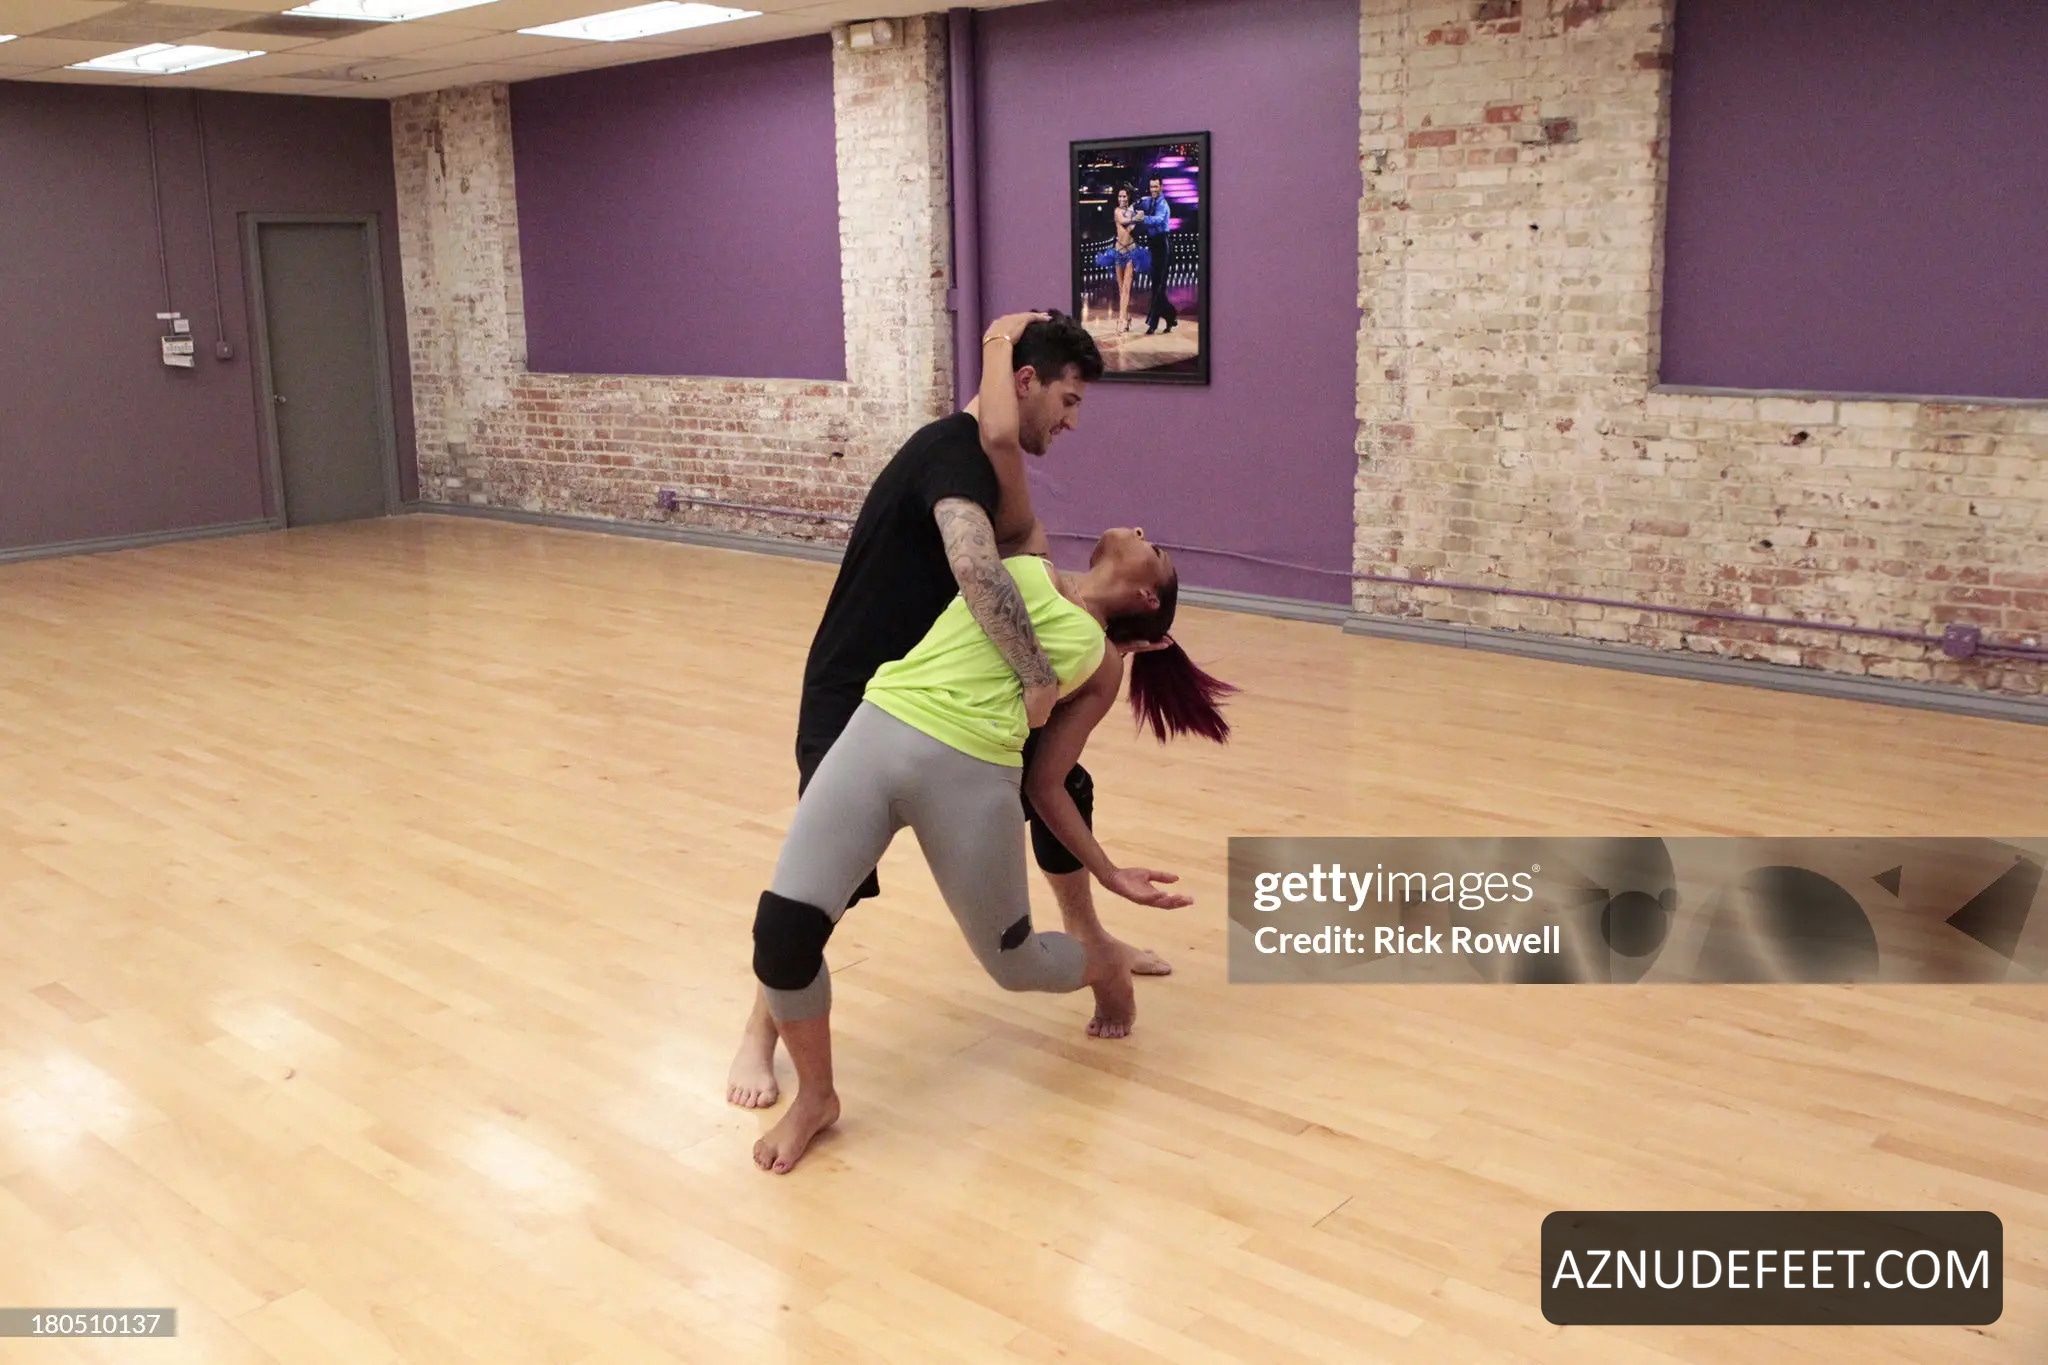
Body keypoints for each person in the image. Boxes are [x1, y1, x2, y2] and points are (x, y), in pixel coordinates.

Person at [726, 310, 1165, 1112]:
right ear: (1025, 382)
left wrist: (1102, 654)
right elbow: (975, 555)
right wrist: (1039, 674)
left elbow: (1008, 462)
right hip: (864, 688)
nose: (1072, 422)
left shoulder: (999, 474)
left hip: (957, 698)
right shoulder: (954, 453)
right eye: (1068, 400)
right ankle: (762, 1030)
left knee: (1066, 783)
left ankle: (1092, 944)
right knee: (823, 887)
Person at [746, 520, 1237, 1173]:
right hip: (876, 732)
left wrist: (1110, 872)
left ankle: (1103, 964)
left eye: (1159, 547)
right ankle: (817, 1096)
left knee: (1016, 964)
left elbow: (1048, 781)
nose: (1145, 531)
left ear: (1148, 596)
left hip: (973, 778)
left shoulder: (1102, 660)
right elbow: (989, 477)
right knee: (783, 933)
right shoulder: (1027, 557)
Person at [1092, 186, 1150, 334]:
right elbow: (1124, 221)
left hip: (1131, 252)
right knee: (1120, 288)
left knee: (1126, 288)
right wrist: (1135, 217)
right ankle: (1127, 316)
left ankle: (1121, 320)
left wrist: (1137, 216)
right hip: (1118, 252)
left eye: (1124, 196)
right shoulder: (1117, 211)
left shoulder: (1132, 211)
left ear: (1129, 197)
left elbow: (1136, 224)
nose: (1122, 199)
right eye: (1120, 196)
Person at [1136, 176, 1180, 335]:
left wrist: (1143, 218)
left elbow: (1158, 220)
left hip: (1163, 245)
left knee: (1159, 288)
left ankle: (1153, 324)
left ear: (1161, 187)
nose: (1153, 190)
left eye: (1156, 187)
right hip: (1153, 245)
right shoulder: (1149, 201)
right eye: (1151, 187)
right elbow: (1139, 203)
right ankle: (1170, 316)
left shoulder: (1163, 205)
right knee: (1156, 287)